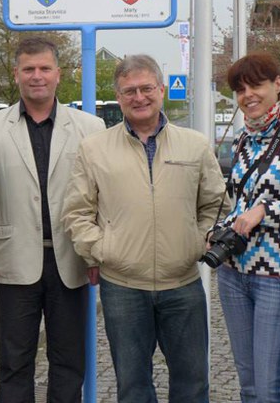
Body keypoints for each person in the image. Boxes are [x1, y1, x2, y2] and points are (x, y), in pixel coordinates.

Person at [62, 54, 229, 403]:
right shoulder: (94, 149)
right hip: (123, 287)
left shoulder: (194, 145)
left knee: (193, 384)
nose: (139, 97)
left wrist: (195, 241)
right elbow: (77, 213)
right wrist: (103, 250)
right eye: (129, 91)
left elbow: (215, 205)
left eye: (146, 88)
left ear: (161, 90)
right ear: (119, 97)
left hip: (182, 285)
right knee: (133, 387)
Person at [0, 36, 105, 403]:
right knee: (14, 362)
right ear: (16, 75)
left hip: (72, 261)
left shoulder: (90, 128)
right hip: (13, 260)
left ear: (59, 74)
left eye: (44, 68)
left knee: (69, 361)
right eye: (28, 69)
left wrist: (96, 255)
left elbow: (100, 198)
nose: (37, 76)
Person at [214, 52, 280, 402]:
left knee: (273, 384)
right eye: (240, 89)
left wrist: (266, 211)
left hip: (276, 275)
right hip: (233, 271)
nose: (248, 95)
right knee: (249, 383)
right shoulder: (244, 138)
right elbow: (239, 200)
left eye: (256, 85)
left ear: (277, 84)